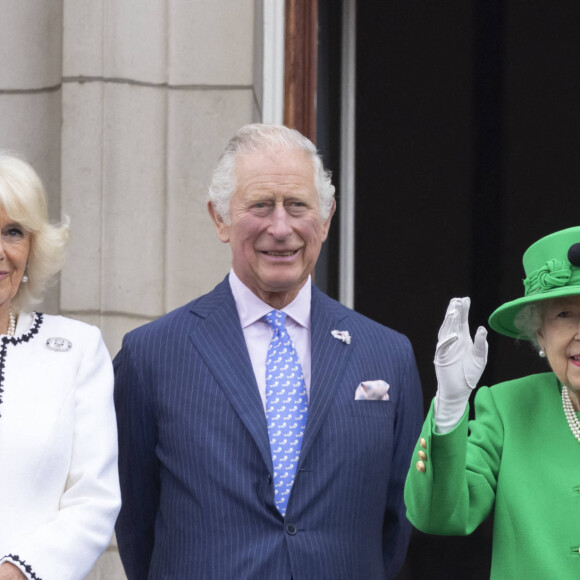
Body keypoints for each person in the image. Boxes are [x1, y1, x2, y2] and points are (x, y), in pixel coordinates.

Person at [114, 123, 423, 579]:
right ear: (220, 218)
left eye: (298, 205)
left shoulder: (387, 355)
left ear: (326, 217)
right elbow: (135, 522)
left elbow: (399, 519)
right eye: (260, 205)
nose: (281, 227)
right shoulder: (151, 356)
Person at [405, 225, 580, 578]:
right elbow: (439, 516)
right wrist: (451, 405)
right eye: (565, 314)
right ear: (541, 334)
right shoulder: (507, 408)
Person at [0, 153, 121, 580]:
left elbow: (95, 498)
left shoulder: (76, 349)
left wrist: (16, 573)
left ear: (32, 247)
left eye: (12, 231)